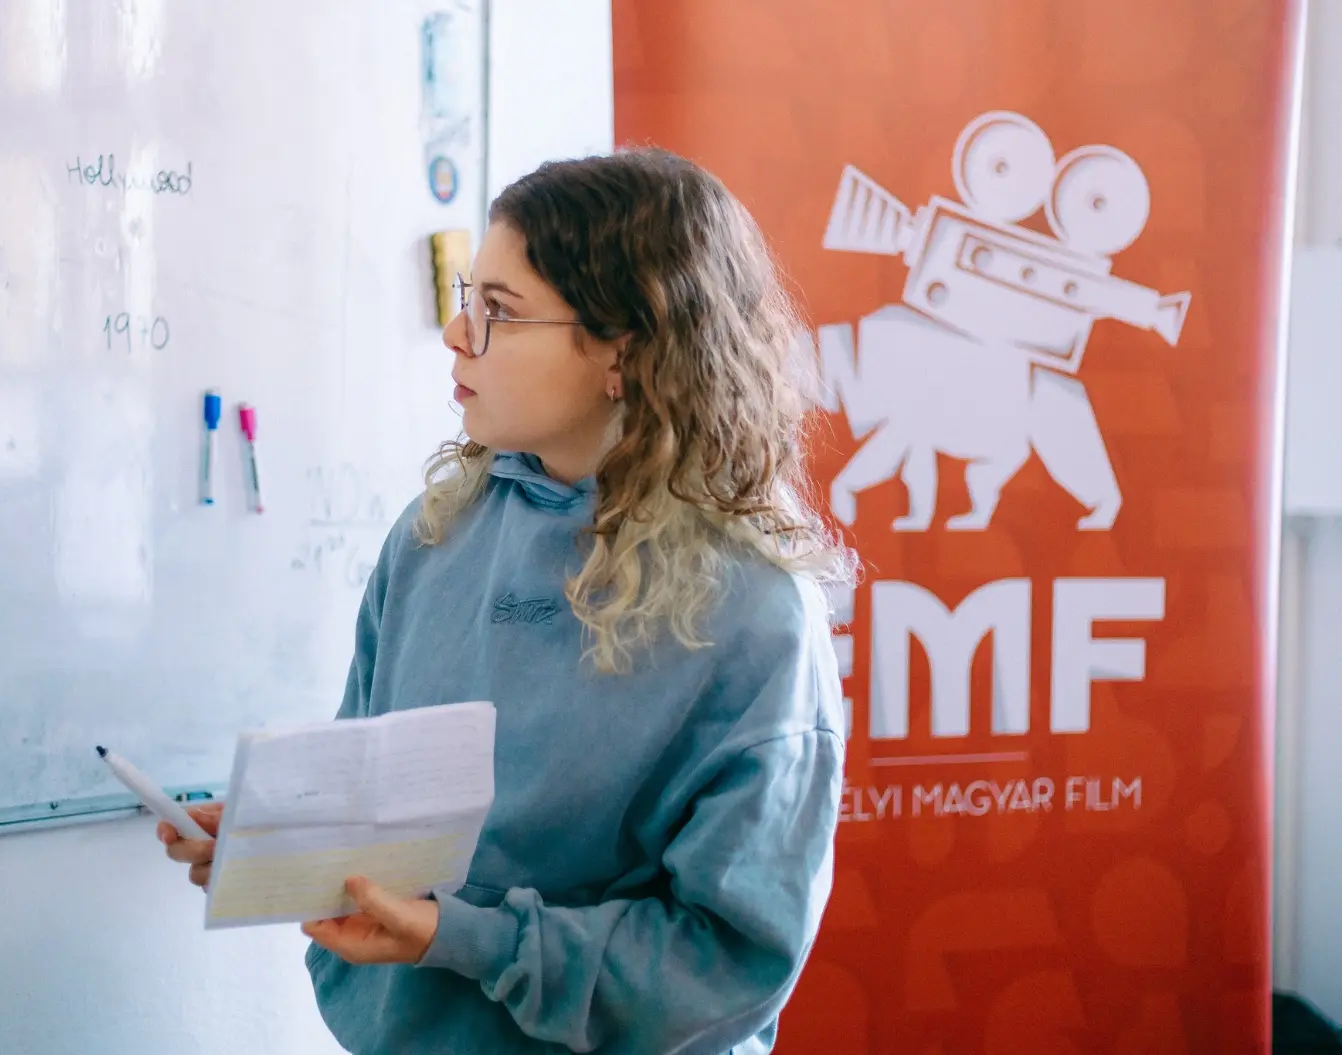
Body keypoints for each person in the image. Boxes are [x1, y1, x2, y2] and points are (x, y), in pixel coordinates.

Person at [160, 148, 852, 1054]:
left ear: (625, 349)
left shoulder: (756, 611)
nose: (457, 334)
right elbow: (381, 806)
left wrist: (466, 939)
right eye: (467, 299)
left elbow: (724, 963)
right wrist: (284, 841)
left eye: (500, 310)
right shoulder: (434, 535)